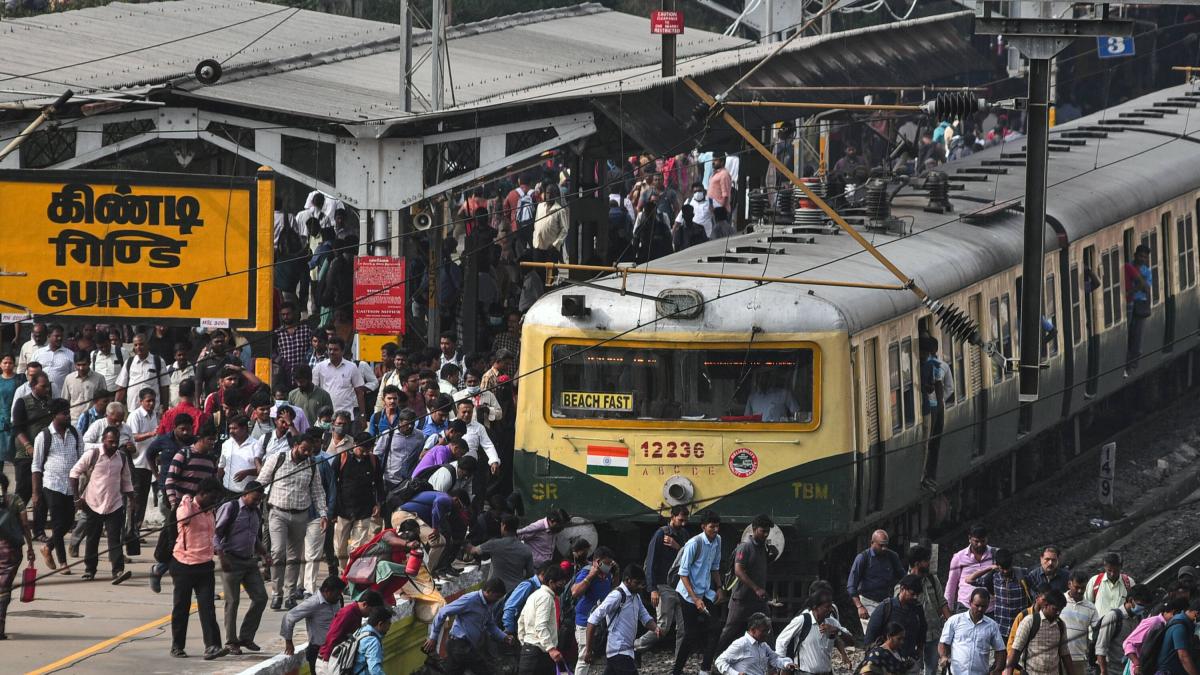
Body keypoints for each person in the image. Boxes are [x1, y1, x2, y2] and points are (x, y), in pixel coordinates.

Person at [257, 428, 329, 610]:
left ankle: (289, 595)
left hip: (300, 515)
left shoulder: (312, 465)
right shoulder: (278, 459)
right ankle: (276, 593)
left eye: (310, 451)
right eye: (304, 449)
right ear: (295, 445)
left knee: (295, 557)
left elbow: (318, 492)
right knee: (278, 553)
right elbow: (261, 482)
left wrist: (323, 514)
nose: (307, 454)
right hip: (277, 513)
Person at [170, 477, 228, 660]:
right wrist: (187, 497)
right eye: (212, 496)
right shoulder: (186, 507)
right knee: (181, 607)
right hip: (184, 564)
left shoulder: (210, 511)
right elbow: (184, 519)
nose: (215, 501)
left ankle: (212, 646)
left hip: (205, 565)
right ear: (201, 493)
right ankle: (177, 646)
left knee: (207, 607)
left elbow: (213, 535)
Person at [69, 425, 134, 583]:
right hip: (93, 503)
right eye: (110, 441)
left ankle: (117, 570)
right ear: (103, 440)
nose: (113, 444)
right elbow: (73, 473)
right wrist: (77, 498)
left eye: (116, 442)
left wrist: (133, 500)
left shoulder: (122, 458)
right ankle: (90, 570)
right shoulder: (94, 454)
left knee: (114, 539)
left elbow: (126, 481)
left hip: (115, 504)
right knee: (92, 538)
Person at [214, 480, 270, 655]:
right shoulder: (231, 508)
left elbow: (254, 537)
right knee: (232, 601)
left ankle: (246, 636)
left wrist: (264, 554)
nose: (256, 503)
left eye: (259, 500)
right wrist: (221, 557)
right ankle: (231, 642)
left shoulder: (256, 511)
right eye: (254, 499)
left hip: (249, 561)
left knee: (261, 597)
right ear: (244, 495)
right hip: (230, 560)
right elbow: (215, 534)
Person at [29, 398, 82, 574]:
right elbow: (36, 466)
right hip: (52, 484)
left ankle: (48, 547)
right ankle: (63, 563)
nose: (68, 416)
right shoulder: (43, 436)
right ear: (54, 415)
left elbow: (81, 458)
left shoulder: (75, 433)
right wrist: (36, 493)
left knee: (67, 522)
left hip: (71, 485)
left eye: (68, 412)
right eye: (64, 413)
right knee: (59, 522)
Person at [673, 510, 726, 675]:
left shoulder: (718, 540)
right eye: (712, 527)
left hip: (704, 591)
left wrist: (719, 588)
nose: (715, 530)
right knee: (690, 634)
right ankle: (676, 671)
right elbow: (683, 573)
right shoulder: (694, 543)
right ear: (703, 527)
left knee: (716, 627)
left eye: (717, 527)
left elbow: (715, 567)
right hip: (688, 594)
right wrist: (695, 599)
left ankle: (704, 669)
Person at [424, 577, 513, 675]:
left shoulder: (488, 605)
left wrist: (503, 637)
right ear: (489, 592)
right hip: (459, 644)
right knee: (484, 669)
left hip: (469, 646)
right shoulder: (470, 600)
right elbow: (443, 612)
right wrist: (433, 637)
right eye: (497, 596)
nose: (497, 600)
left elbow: (490, 625)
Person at [583, 563, 660, 675]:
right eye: (637, 583)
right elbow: (593, 619)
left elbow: (644, 616)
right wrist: (588, 650)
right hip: (618, 650)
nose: (640, 587)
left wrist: (656, 628)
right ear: (627, 580)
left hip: (626, 651)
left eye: (641, 584)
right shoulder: (617, 596)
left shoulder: (636, 596)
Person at [636, 505, 690, 654]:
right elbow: (651, 563)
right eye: (680, 520)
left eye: (685, 520)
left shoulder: (684, 534)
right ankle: (635, 647)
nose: (683, 523)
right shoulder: (660, 534)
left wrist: (677, 547)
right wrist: (652, 588)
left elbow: (689, 559)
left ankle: (678, 665)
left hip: (681, 586)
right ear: (672, 517)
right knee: (663, 627)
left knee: (684, 629)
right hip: (664, 586)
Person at [718, 514, 774, 653]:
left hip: (758, 600)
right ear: (754, 529)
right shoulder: (745, 548)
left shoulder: (763, 548)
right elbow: (738, 571)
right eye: (763, 531)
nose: (765, 534)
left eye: (767, 531)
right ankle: (715, 658)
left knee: (768, 628)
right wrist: (756, 588)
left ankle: (774, 660)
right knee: (729, 630)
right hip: (741, 599)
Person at [333, 433, 384, 570]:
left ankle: (350, 576)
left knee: (357, 548)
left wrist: (378, 503)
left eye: (368, 450)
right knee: (340, 548)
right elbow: (333, 485)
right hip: (343, 510)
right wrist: (332, 509)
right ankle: (343, 571)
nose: (364, 453)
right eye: (362, 450)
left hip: (365, 510)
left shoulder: (373, 460)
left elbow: (379, 484)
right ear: (354, 444)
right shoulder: (342, 458)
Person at [900, 544, 951, 675]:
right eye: (927, 561)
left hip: (933, 633)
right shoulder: (904, 586)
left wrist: (952, 625)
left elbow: (942, 603)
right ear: (918, 563)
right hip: (913, 637)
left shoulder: (933, 580)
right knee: (912, 670)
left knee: (931, 669)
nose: (929, 563)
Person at [776, 590, 852, 675]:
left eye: (831, 606)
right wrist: (783, 664)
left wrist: (838, 631)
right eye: (827, 607)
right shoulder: (802, 620)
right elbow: (781, 640)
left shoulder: (832, 622)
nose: (830, 609)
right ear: (815, 607)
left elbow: (851, 641)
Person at [571, 545, 618, 675]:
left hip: (599, 621)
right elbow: (575, 592)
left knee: (595, 655)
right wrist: (591, 576)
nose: (608, 566)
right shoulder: (586, 573)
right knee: (584, 655)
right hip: (584, 621)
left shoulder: (607, 575)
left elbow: (612, 592)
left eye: (610, 564)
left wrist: (616, 573)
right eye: (606, 563)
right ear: (597, 561)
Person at [282, 575, 344, 672]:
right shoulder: (313, 603)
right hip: (318, 651)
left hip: (335, 649)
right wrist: (288, 641)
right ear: (327, 591)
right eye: (336, 594)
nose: (338, 597)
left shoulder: (336, 600)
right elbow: (289, 617)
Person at [966, 547, 1032, 639]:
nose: (1005, 571)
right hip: (1001, 630)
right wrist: (989, 568)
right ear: (997, 565)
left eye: (1007, 568)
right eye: (1002, 569)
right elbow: (969, 580)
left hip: (1022, 628)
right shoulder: (993, 576)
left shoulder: (1023, 573)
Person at [848, 530, 906, 633]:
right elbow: (851, 585)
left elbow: (903, 577)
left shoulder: (892, 556)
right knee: (872, 634)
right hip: (868, 601)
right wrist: (859, 606)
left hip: (887, 601)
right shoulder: (862, 558)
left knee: (888, 633)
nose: (884, 548)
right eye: (881, 545)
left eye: (886, 545)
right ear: (872, 543)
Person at [0, 470, 35, 639]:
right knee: (4, 589)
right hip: (10, 551)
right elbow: (25, 524)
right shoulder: (16, 500)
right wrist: (30, 547)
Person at [938, 588, 1006, 675]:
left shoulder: (992, 626)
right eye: (977, 605)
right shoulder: (954, 621)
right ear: (970, 602)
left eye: (984, 606)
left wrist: (997, 670)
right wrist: (943, 656)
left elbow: (1001, 650)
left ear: (988, 605)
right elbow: (943, 643)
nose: (980, 609)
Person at [517, 565, 571, 675]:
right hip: (539, 654)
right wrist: (551, 649)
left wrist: (525, 642)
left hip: (530, 650)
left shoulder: (535, 595)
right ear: (551, 582)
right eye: (560, 584)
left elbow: (521, 621)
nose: (563, 587)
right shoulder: (546, 597)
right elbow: (541, 625)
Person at [866, 575, 928, 666]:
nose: (915, 597)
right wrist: (870, 659)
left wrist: (919, 651)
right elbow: (871, 634)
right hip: (886, 660)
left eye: (917, 595)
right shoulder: (886, 607)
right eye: (912, 594)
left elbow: (923, 629)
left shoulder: (917, 609)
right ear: (902, 589)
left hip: (909, 660)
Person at [1003, 589, 1069, 675]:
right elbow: (1015, 651)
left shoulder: (1061, 625)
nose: (1058, 613)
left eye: (1060, 610)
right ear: (1045, 605)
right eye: (1055, 609)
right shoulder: (1029, 621)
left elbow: (1065, 654)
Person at [464, 513, 533, 593]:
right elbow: (530, 574)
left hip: (494, 592)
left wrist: (463, 542)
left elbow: (473, 550)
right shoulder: (526, 549)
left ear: (503, 526)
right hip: (515, 593)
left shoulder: (494, 544)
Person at [1094, 584, 1153, 675]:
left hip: (1130, 669)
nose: (1142, 608)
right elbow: (1101, 647)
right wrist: (1103, 671)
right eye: (1140, 605)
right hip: (1112, 670)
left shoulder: (1140, 618)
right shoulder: (1113, 617)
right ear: (1130, 600)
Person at [315, 589, 385, 663]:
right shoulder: (348, 613)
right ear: (365, 604)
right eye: (371, 611)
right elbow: (333, 636)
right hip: (328, 660)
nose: (370, 615)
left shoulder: (357, 614)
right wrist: (328, 660)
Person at [715, 612, 795, 675]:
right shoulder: (741, 644)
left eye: (768, 631)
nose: (767, 634)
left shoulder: (763, 645)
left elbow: (774, 659)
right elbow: (719, 661)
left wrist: (787, 664)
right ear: (753, 630)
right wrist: (735, 673)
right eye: (764, 631)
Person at [312, 337, 366, 425]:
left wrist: (363, 415)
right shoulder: (319, 367)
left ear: (343, 351)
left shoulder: (352, 367)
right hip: (326, 417)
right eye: (330, 349)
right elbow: (314, 391)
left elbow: (359, 392)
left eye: (335, 350)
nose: (332, 352)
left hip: (346, 417)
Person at [114, 332, 170, 414]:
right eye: (136, 345)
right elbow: (121, 387)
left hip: (153, 411)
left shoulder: (158, 361)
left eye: (141, 344)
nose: (138, 347)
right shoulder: (129, 362)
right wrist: (115, 407)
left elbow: (164, 386)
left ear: (148, 345)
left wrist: (165, 408)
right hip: (133, 410)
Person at [919, 336, 947, 490]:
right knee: (932, 444)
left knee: (931, 444)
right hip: (934, 406)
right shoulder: (932, 363)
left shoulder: (930, 364)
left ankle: (927, 477)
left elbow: (934, 385)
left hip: (933, 407)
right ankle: (928, 476)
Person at [946, 525, 995, 612]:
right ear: (969, 539)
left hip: (990, 608)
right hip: (965, 607)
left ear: (987, 539)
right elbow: (951, 585)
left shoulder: (995, 554)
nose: (979, 544)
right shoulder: (959, 557)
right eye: (976, 541)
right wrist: (948, 609)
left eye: (983, 541)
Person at [1060, 570, 1099, 675]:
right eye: (1077, 587)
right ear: (1069, 584)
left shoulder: (1091, 607)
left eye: (1083, 588)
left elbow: (1098, 631)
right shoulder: (1059, 601)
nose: (1080, 591)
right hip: (1058, 657)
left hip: (1079, 658)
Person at [1124, 244, 1152, 374]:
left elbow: (1146, 287)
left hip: (1140, 305)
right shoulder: (1128, 266)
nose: (1142, 259)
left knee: (1137, 337)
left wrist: (1132, 290)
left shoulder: (1147, 271)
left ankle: (1133, 364)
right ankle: (1127, 361)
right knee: (1129, 334)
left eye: (1145, 257)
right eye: (1140, 256)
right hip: (1129, 305)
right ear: (1135, 255)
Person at [1152, 598, 1200, 675]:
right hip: (1168, 671)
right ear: (1197, 614)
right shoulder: (1179, 627)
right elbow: (1183, 656)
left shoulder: (1184, 622)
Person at [218, 415, 263, 493]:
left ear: (244, 429)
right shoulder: (226, 444)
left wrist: (247, 472)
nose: (231, 431)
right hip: (227, 491)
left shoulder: (256, 445)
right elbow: (221, 466)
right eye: (230, 428)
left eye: (235, 428)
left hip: (247, 494)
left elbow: (262, 471)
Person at [62, 350, 105, 423]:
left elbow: (103, 401)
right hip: (74, 420)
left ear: (89, 363)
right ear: (74, 364)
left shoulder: (99, 378)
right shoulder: (69, 378)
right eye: (78, 365)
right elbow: (65, 402)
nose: (81, 368)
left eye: (84, 365)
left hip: (92, 421)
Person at [1087, 553, 1135, 618]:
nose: (1112, 574)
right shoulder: (1094, 581)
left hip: (1121, 626)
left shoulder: (1129, 583)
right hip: (1099, 627)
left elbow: (1134, 606)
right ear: (1105, 567)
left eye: (1116, 571)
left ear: (1121, 567)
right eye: (1109, 570)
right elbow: (1086, 605)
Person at [31, 325, 73, 398]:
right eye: (56, 336)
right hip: (39, 396)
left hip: (60, 397)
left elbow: (73, 376)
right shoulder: (38, 353)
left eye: (61, 336)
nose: (59, 338)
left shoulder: (70, 354)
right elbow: (30, 372)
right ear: (49, 336)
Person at [352, 606, 393, 675]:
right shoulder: (373, 642)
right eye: (388, 623)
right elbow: (374, 670)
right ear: (380, 624)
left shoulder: (361, 631)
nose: (389, 627)